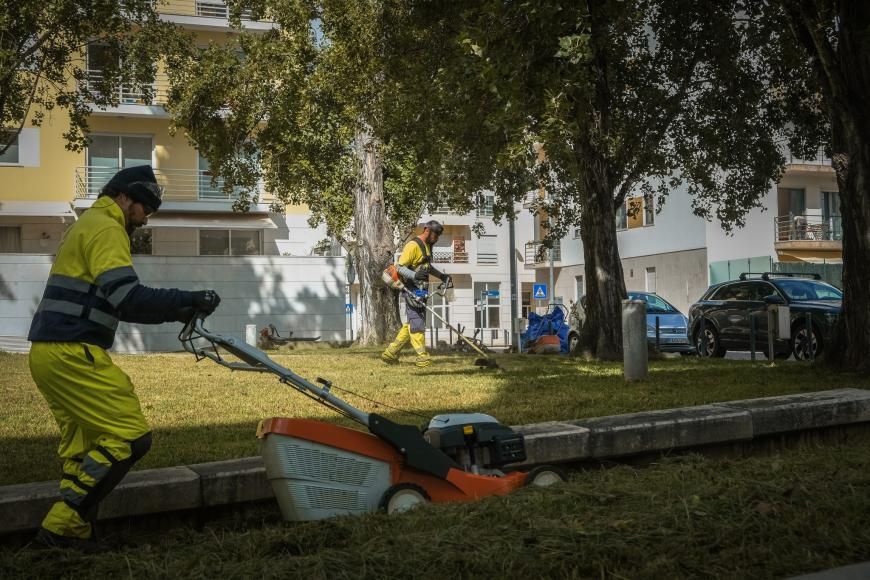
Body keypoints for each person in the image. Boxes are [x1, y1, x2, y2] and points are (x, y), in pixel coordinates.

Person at [27, 165, 221, 551]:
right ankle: (59, 529)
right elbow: (128, 298)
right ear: (125, 197)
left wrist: (179, 310)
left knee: (85, 450)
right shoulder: (105, 227)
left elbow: (119, 304)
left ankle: (75, 536)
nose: (146, 217)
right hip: (72, 352)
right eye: (144, 208)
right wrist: (189, 298)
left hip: (50, 352)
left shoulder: (88, 225)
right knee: (129, 437)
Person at [381, 220, 451, 367]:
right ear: (427, 230)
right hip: (411, 289)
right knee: (417, 323)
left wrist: (441, 276)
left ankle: (391, 352)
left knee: (411, 322)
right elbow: (399, 267)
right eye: (436, 235)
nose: (437, 238)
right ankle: (422, 357)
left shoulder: (427, 247)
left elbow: (426, 267)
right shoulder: (413, 246)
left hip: (422, 290)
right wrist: (414, 276)